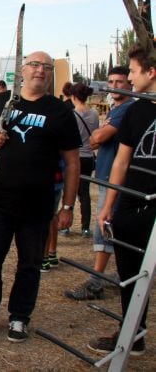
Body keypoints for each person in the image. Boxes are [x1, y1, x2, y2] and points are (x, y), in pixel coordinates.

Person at [0, 51, 81, 343]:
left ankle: (19, 316)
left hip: (38, 204)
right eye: (34, 65)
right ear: (23, 71)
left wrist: (67, 205)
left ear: (51, 74)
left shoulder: (60, 111)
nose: (40, 70)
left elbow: (73, 162)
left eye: (47, 67)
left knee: (29, 264)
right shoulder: (3, 102)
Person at [88, 46, 156, 355]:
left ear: (150, 72)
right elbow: (121, 162)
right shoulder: (136, 110)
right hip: (131, 205)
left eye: (132, 71)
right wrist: (107, 206)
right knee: (130, 275)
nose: (128, 77)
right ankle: (133, 335)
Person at [64, 66, 134, 300]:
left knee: (103, 225)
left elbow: (99, 137)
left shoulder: (126, 110)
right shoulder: (114, 109)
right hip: (104, 173)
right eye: (111, 82)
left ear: (130, 83)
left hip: (115, 179)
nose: (114, 86)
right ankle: (119, 275)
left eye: (120, 82)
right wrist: (99, 133)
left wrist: (101, 132)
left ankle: (95, 282)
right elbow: (94, 139)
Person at [67, 82, 100, 237]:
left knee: (70, 191)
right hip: (88, 157)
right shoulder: (94, 113)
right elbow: (95, 135)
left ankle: (66, 225)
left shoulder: (72, 115)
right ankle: (85, 227)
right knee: (84, 193)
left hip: (75, 157)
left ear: (73, 97)